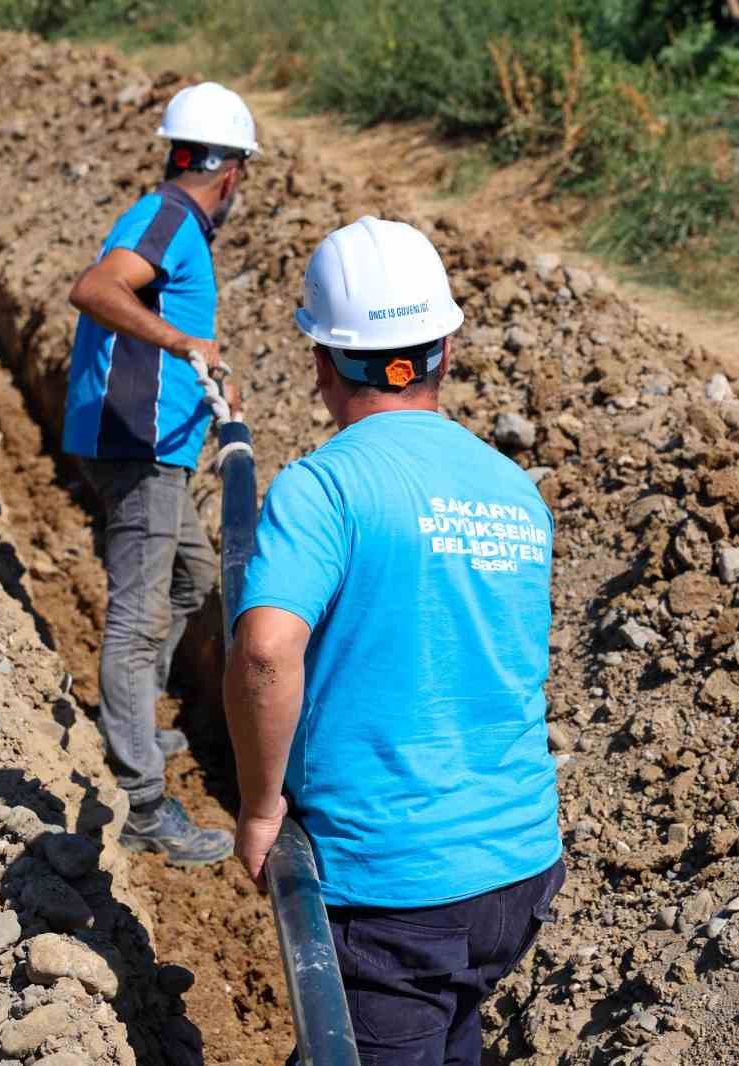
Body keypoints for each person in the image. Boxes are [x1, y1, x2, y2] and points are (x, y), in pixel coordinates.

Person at [223, 216, 564, 1064]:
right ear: (444, 349)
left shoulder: (323, 488)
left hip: (394, 883)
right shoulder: (515, 492)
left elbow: (266, 650)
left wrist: (263, 806)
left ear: (321, 363)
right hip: (517, 868)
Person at [63, 82, 260, 866]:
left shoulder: (174, 225)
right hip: (136, 447)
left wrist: (206, 374)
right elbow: (96, 289)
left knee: (195, 577)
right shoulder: (170, 217)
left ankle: (136, 718)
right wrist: (185, 347)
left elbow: (165, 329)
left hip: (157, 445)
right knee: (139, 616)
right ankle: (142, 801)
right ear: (231, 173)